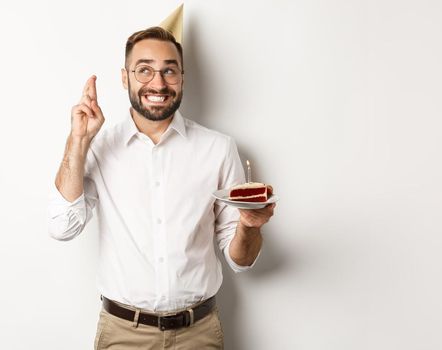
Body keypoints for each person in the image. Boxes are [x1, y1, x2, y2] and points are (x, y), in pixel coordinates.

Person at [48, 26, 275, 349]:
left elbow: (241, 260)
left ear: (182, 77)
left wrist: (250, 227)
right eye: (144, 70)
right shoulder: (98, 147)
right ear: (125, 77)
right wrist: (79, 140)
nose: (158, 83)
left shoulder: (218, 148)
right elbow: (62, 227)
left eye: (169, 70)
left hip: (198, 333)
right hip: (123, 334)